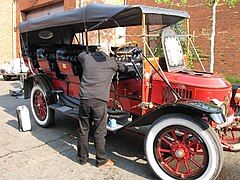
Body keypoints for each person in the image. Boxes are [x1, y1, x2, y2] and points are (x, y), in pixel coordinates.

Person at [77, 42, 127, 167]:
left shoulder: (86, 58)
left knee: (83, 130)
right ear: (107, 52)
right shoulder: (111, 62)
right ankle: (101, 160)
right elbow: (124, 69)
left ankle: (82, 159)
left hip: (84, 99)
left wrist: (88, 51)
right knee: (99, 131)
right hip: (99, 101)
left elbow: (80, 55)